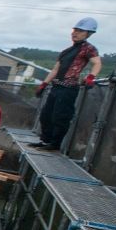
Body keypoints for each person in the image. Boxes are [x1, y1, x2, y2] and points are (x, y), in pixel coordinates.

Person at [30, 17, 102, 151]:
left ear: (88, 34)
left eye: (80, 31)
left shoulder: (88, 49)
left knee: (60, 116)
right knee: (46, 115)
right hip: (56, 86)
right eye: (75, 30)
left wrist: (91, 77)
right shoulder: (66, 51)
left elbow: (97, 63)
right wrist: (44, 84)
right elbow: (56, 69)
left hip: (69, 88)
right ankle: (46, 140)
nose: (75, 33)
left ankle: (55, 144)